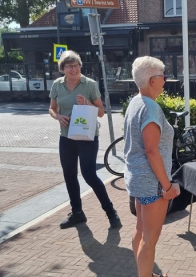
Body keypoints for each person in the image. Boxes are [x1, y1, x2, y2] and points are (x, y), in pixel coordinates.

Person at [49, 50, 121, 230]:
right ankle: (77, 213)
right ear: (63, 68)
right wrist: (57, 116)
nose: (73, 69)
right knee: (69, 175)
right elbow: (51, 108)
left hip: (87, 136)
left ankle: (111, 212)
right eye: (69, 66)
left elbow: (101, 112)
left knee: (89, 174)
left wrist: (87, 104)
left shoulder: (89, 84)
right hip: (66, 136)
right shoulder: (57, 85)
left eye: (76, 65)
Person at [124, 56, 180, 277]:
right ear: (152, 80)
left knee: (140, 231)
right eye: (163, 76)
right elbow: (151, 150)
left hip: (138, 180)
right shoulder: (150, 108)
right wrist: (167, 187)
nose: (165, 81)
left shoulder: (135, 101)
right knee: (149, 239)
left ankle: (144, 274)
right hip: (152, 184)